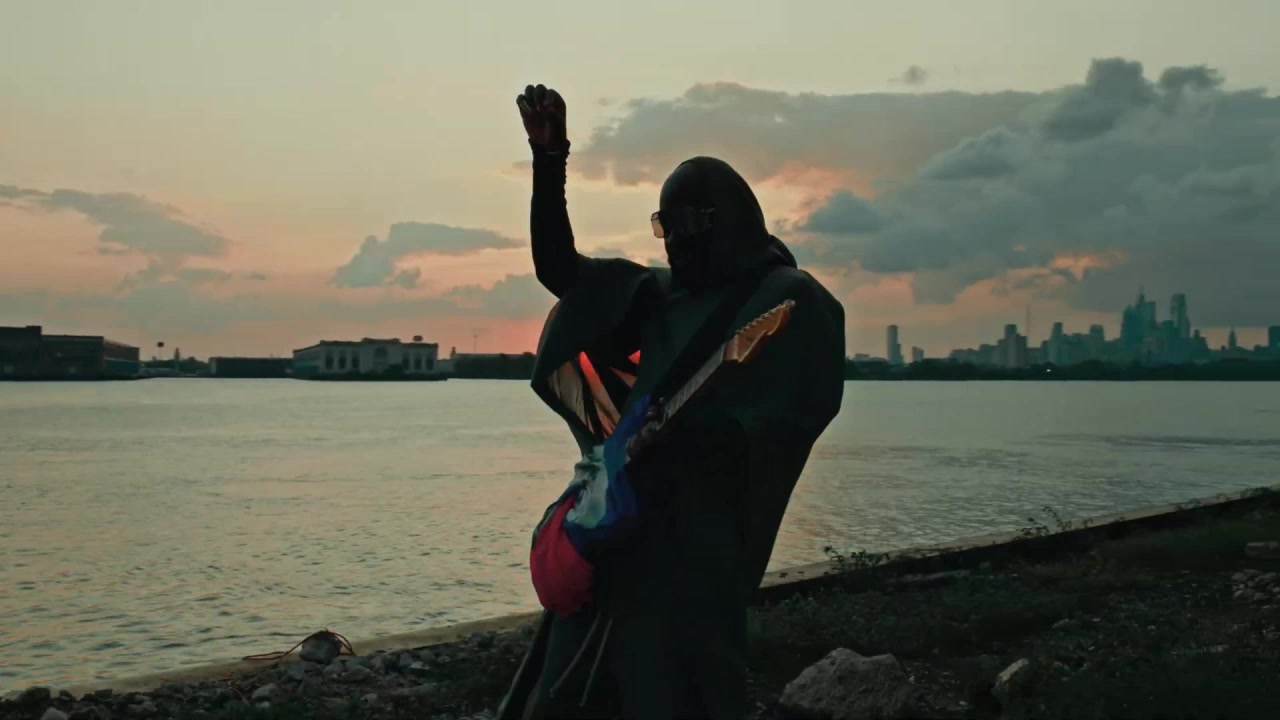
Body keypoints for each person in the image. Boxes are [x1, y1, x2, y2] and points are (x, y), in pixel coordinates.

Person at [497, 84, 846, 720]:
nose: (671, 243)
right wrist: (549, 162)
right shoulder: (659, 294)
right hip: (622, 522)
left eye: (684, 225)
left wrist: (697, 438)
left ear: (726, 220)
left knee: (677, 688)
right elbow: (560, 272)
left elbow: (792, 415)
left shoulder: (791, 301)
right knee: (565, 690)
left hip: (698, 546)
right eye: (662, 226)